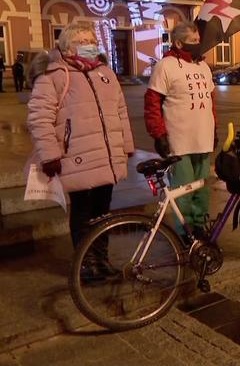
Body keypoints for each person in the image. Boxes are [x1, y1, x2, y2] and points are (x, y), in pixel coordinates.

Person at [27, 22, 134, 278]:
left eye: (92, 41)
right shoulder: (54, 76)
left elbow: (121, 112)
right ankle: (85, 265)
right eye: (83, 42)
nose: (90, 46)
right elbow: (39, 117)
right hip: (77, 157)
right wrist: (50, 154)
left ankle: (102, 260)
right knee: (83, 213)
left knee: (103, 212)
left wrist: (126, 146)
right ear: (67, 47)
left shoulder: (105, 73)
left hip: (106, 157)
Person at [144, 22, 216, 237]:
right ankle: (184, 232)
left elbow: (211, 101)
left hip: (203, 138)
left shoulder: (203, 66)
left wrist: (215, 129)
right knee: (183, 190)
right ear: (178, 42)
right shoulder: (165, 66)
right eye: (193, 41)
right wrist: (159, 135)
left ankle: (200, 226)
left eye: (198, 41)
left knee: (202, 188)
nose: (198, 45)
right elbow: (152, 103)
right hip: (179, 140)